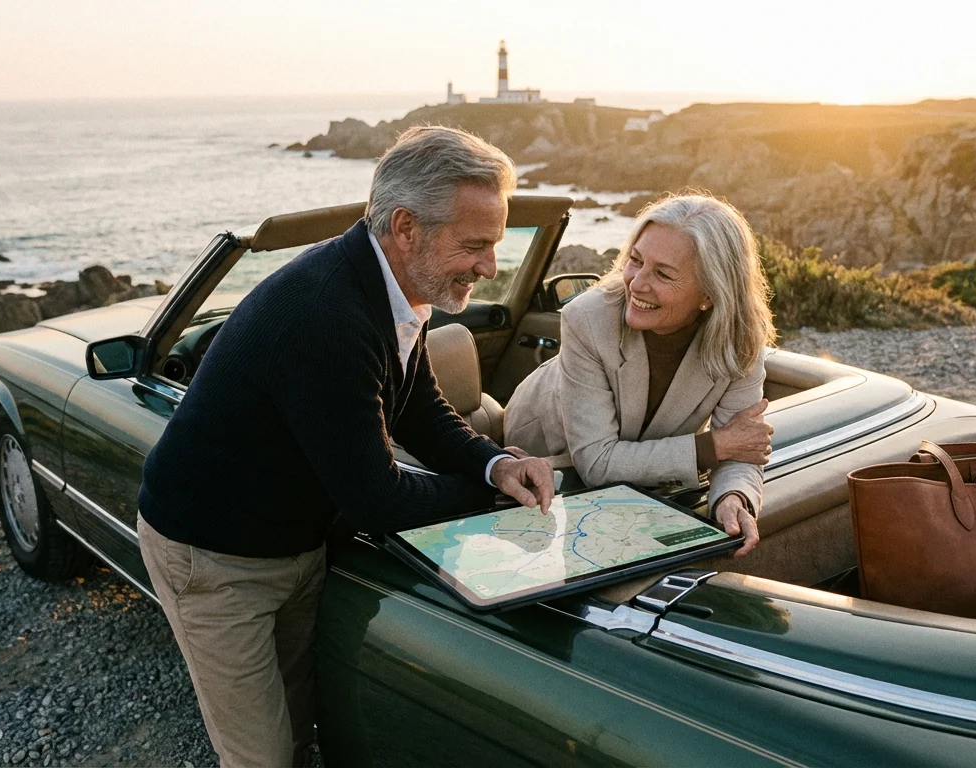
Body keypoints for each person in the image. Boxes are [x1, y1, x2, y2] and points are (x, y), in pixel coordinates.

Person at [136, 126, 554, 768]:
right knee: (263, 757)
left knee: (303, 727)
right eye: (474, 245)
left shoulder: (392, 287)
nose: (488, 267)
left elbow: (418, 407)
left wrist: (497, 464)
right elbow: (376, 500)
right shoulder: (326, 314)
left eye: (495, 246)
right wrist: (490, 495)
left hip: (294, 543)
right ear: (407, 227)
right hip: (213, 557)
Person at [505, 193, 774, 555]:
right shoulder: (587, 318)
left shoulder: (741, 339)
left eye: (662, 273)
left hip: (636, 474)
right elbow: (597, 464)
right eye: (635, 260)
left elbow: (741, 448)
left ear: (710, 293)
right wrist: (713, 447)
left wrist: (733, 495)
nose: (636, 282)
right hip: (545, 448)